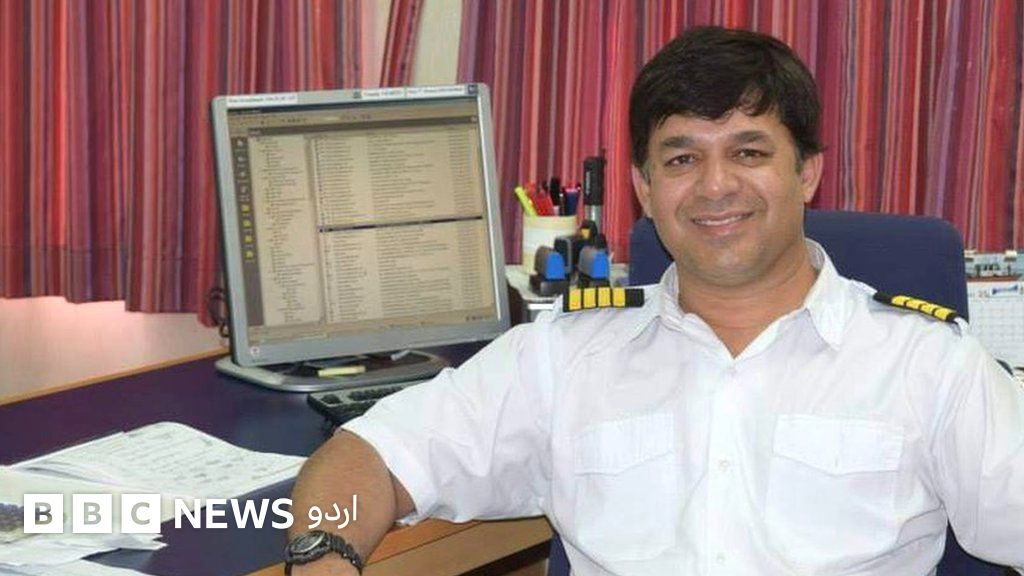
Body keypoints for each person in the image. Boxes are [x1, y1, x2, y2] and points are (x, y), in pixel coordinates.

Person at [286, 26, 1024, 575]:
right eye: (681, 158)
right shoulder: (566, 354)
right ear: (644, 187)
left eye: (749, 152)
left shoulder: (926, 362)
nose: (715, 186)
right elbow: (365, 457)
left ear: (807, 173)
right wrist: (321, 558)